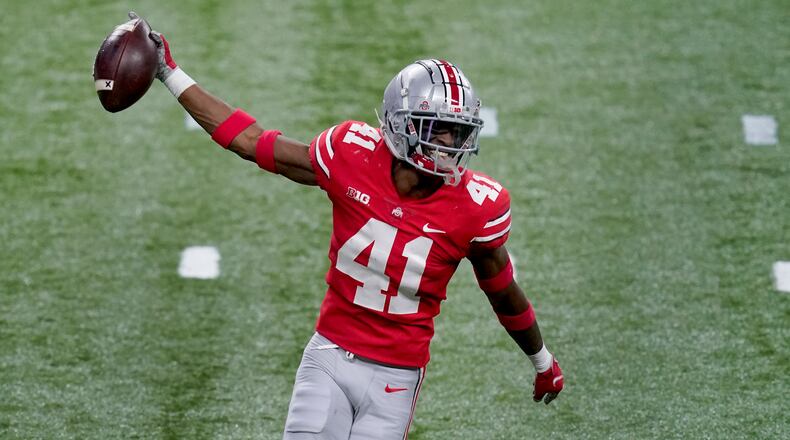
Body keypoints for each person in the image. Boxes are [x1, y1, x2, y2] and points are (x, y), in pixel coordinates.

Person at [133, 12, 564, 440]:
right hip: (329, 356)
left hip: (397, 376)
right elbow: (252, 143)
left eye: (458, 131)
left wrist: (541, 360)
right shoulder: (350, 153)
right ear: (403, 122)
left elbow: (503, 291)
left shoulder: (477, 206)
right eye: (440, 129)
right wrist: (169, 73)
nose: (450, 143)